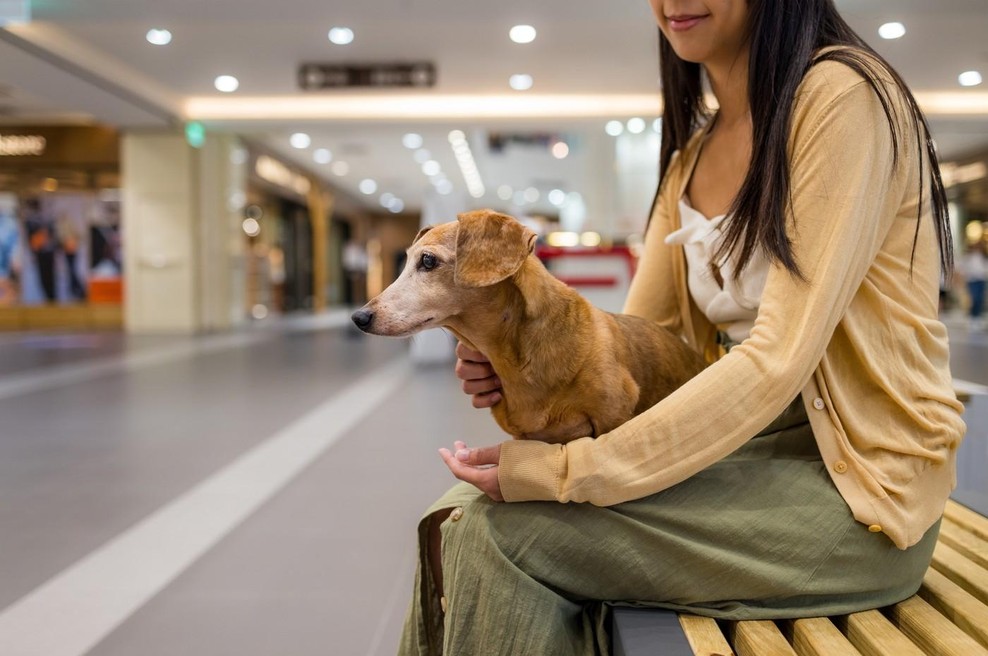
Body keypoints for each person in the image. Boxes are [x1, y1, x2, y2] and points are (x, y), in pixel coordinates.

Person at [398, 1, 966, 653]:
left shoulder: (843, 95)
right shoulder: (692, 156)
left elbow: (776, 360)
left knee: (501, 534)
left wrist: (567, 472)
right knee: (456, 514)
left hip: (860, 491)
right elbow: (639, 340)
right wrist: (515, 355)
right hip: (746, 450)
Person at [959, 240, 987, 328]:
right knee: (974, 298)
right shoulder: (968, 257)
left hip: (981, 280)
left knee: (979, 299)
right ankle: (972, 317)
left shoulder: (983, 257)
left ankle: (977, 318)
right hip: (972, 280)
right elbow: (962, 268)